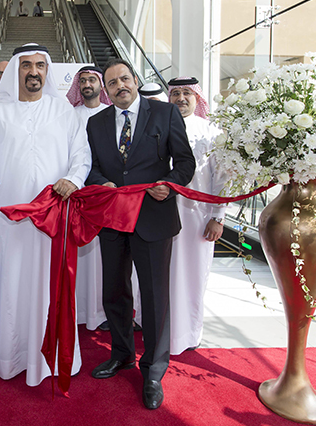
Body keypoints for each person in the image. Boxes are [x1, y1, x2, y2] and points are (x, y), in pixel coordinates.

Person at [0, 43, 91, 387]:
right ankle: (13, 357)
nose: (33, 71)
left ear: (47, 71)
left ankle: (52, 358)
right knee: (11, 282)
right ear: (14, 72)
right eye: (26, 66)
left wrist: (73, 179)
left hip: (54, 214)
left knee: (52, 286)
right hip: (9, 217)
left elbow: (81, 154)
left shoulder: (63, 111)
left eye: (39, 65)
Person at [85, 58, 195, 410]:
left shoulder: (164, 114)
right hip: (114, 220)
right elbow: (91, 168)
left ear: (135, 79)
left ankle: (153, 370)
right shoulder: (95, 123)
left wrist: (170, 184)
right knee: (114, 292)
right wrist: (102, 182)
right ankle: (122, 355)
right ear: (106, 90)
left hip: (153, 218)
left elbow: (185, 162)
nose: (120, 86)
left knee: (154, 296)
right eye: (112, 83)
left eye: (124, 78)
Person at [167, 76, 226, 355]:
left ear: (197, 97)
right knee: (160, 274)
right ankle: (155, 326)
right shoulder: (160, 126)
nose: (181, 98)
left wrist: (218, 216)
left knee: (192, 275)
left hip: (199, 218)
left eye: (186, 93)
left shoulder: (211, 131)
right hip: (162, 214)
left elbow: (223, 177)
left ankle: (188, 333)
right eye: (175, 93)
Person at [65, 66, 112, 330]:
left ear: (100, 85)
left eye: (92, 80)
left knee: (103, 256)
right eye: (82, 81)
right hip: (76, 194)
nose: (86, 85)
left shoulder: (110, 115)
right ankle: (78, 309)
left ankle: (100, 312)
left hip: (103, 191)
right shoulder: (70, 115)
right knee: (78, 252)